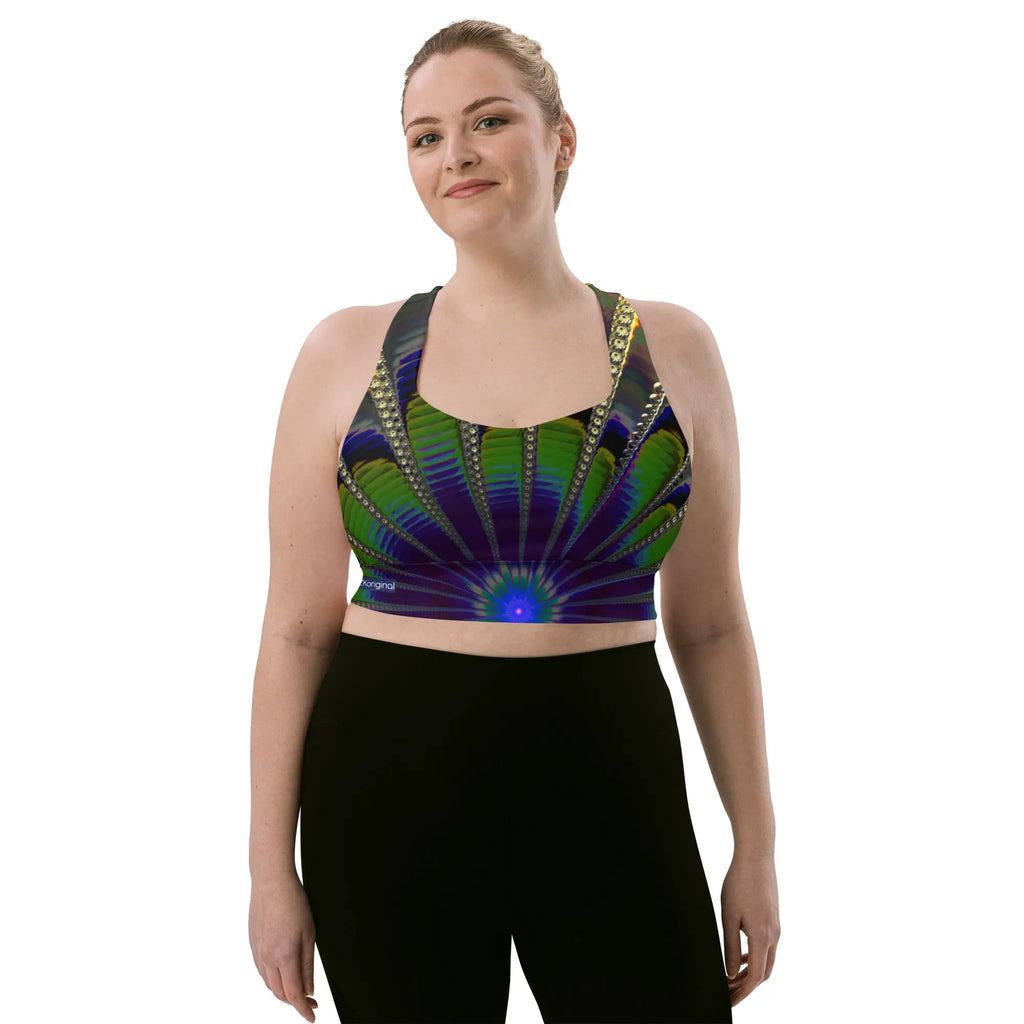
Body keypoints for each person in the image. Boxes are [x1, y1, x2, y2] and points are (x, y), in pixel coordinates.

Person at [248, 17, 779, 1024]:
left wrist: (755, 846)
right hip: (389, 776)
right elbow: (295, 628)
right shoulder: (347, 352)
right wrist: (269, 871)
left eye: (488, 121)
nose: (456, 153)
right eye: (426, 135)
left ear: (561, 139)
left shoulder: (670, 348)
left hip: (610, 762)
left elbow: (709, 623)